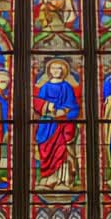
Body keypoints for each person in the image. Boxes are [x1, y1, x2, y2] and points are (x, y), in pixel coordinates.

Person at [33, 59, 80, 188]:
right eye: (53, 68)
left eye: (59, 68)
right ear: (49, 71)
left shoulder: (66, 87)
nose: (56, 71)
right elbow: (37, 103)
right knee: (46, 150)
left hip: (62, 124)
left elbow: (73, 106)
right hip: (47, 124)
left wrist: (64, 111)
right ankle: (48, 178)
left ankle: (62, 179)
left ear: (63, 71)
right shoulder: (45, 87)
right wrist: (48, 107)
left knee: (61, 150)